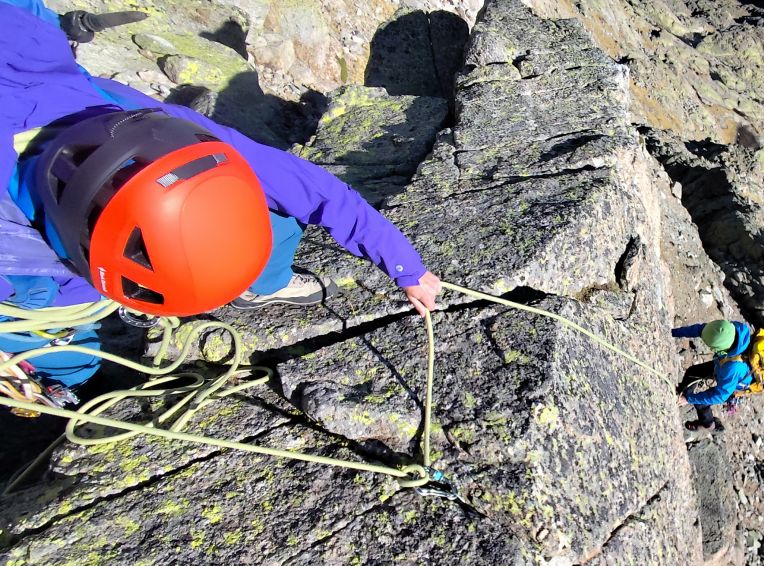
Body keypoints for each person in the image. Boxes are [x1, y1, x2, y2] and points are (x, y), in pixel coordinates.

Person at [0, 0, 441, 391]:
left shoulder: (179, 138)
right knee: (60, 346)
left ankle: (259, 286)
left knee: (272, 225)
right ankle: (63, 381)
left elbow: (312, 190)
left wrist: (405, 265)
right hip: (26, 271)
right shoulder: (22, 263)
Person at [672, 319, 754, 432]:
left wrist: (689, 399)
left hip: (734, 378)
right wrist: (673, 332)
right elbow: (699, 329)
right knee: (693, 372)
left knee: (702, 402)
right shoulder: (722, 330)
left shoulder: (733, 368)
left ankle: (708, 424)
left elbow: (719, 396)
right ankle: (682, 392)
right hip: (723, 363)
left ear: (720, 350)